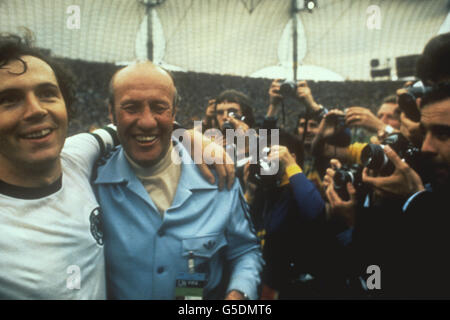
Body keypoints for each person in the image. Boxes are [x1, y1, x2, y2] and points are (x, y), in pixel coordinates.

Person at [0, 33, 235, 299]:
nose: (36, 110)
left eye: (47, 94)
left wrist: (188, 135)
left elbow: (129, 125)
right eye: (9, 99)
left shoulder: (77, 155)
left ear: (65, 104)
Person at [93, 61, 263, 300]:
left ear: (174, 113)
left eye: (159, 107)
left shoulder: (219, 176)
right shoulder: (92, 181)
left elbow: (246, 251)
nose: (147, 121)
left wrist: (238, 295)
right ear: (111, 112)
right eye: (131, 107)